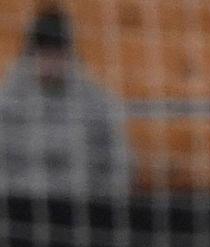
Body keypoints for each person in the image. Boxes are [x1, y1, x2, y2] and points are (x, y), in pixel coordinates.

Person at [0, 4, 131, 196]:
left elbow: (119, 163)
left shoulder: (96, 101)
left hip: (82, 204)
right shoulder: (8, 101)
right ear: (30, 55)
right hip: (20, 203)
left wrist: (99, 201)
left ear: (70, 55)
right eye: (44, 53)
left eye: (58, 54)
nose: (51, 62)